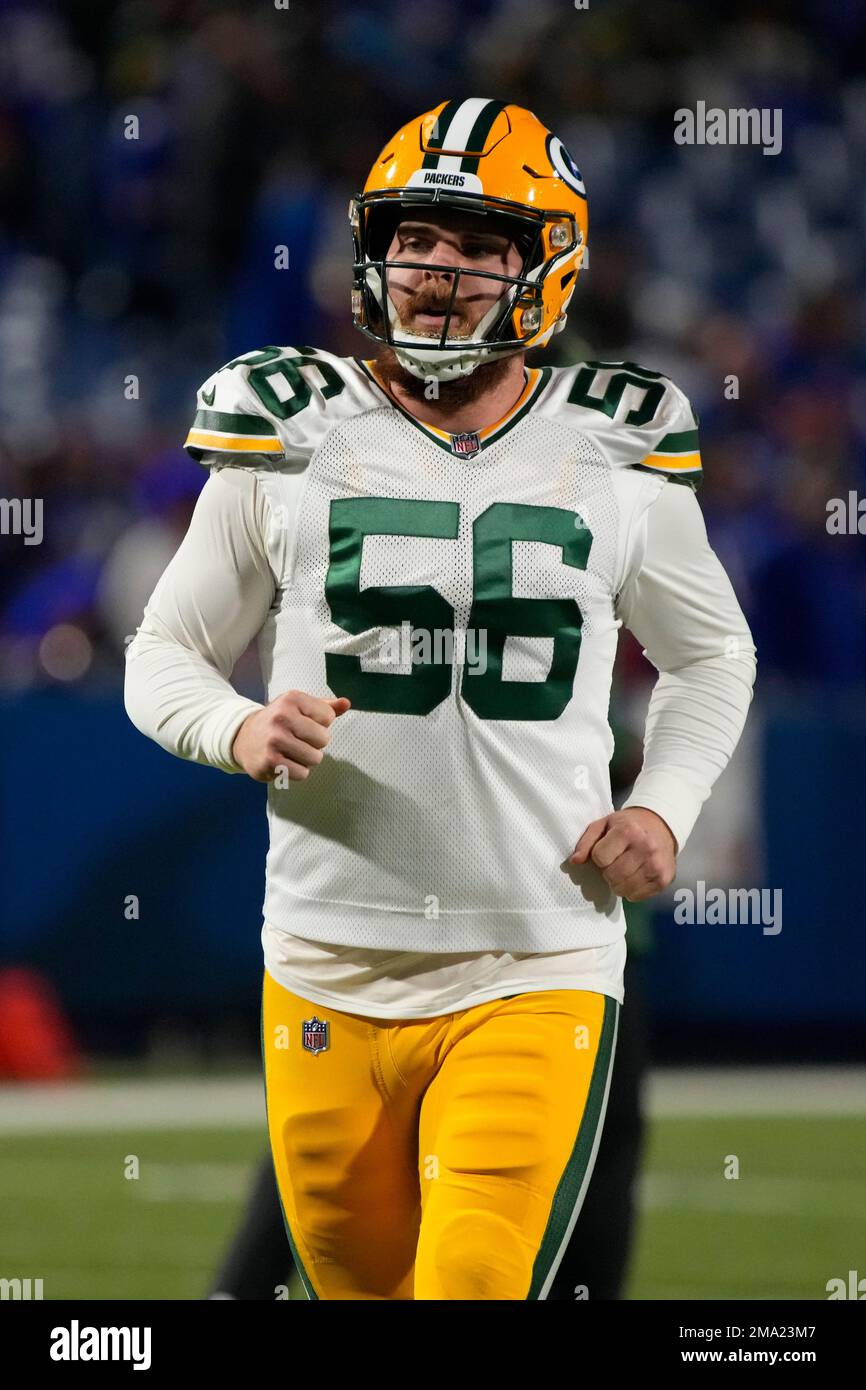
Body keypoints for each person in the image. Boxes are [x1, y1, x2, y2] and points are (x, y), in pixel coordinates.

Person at [125, 98, 756, 1300]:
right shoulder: (288, 424)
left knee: (470, 1283)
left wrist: (663, 806)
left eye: (478, 246)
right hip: (322, 960)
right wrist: (238, 727)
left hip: (535, 953)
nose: (437, 272)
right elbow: (163, 652)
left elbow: (711, 654)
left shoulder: (615, 446)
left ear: (544, 265)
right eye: (416, 239)